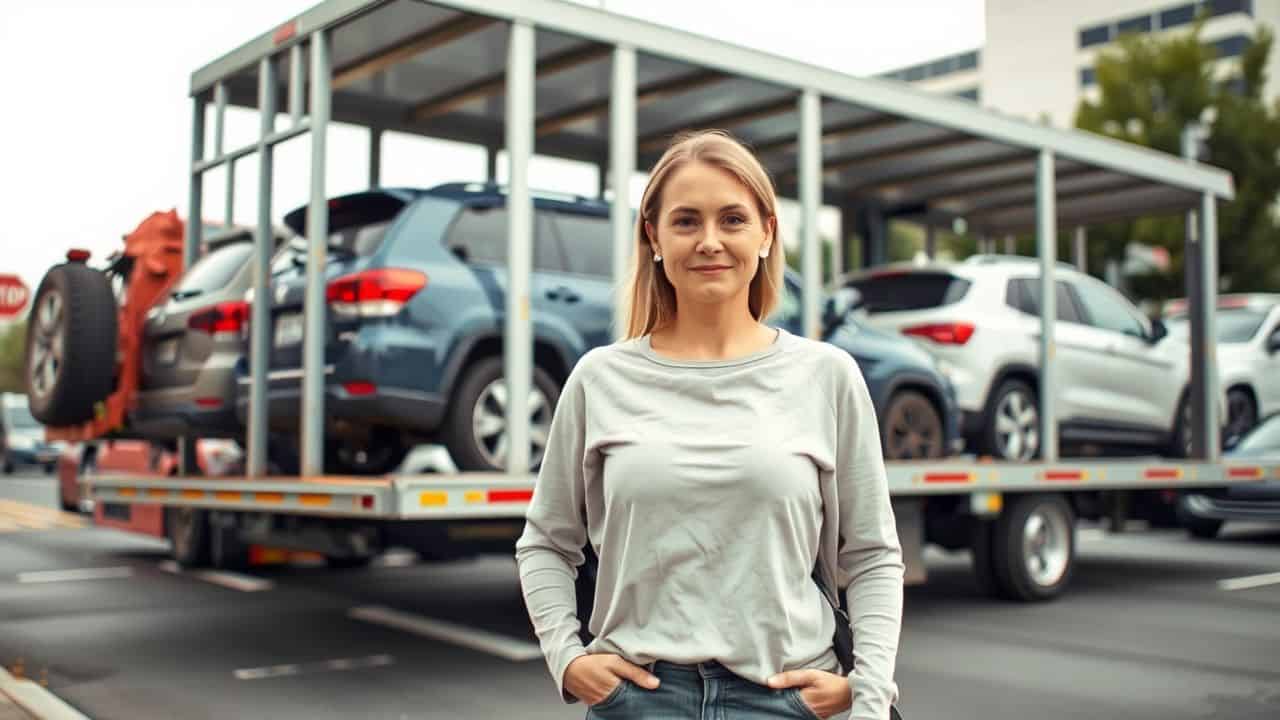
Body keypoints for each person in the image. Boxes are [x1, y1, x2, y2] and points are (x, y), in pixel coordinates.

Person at [515, 130, 904, 720]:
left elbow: (873, 555)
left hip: (788, 702)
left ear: (767, 233)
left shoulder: (827, 376)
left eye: (732, 219)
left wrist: (869, 697)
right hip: (639, 702)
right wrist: (567, 660)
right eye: (686, 221)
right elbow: (545, 541)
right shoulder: (600, 379)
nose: (710, 242)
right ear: (653, 237)